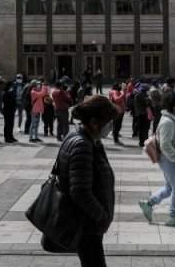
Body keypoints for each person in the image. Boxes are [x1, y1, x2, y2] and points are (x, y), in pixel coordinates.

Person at [57, 95, 119, 267]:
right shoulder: (82, 145)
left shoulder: (86, 138)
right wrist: (101, 216)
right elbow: (79, 191)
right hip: (86, 225)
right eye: (108, 122)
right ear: (94, 122)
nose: (110, 127)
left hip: (87, 222)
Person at [138, 92, 175, 227]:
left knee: (169, 187)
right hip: (169, 159)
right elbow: (165, 144)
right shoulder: (168, 121)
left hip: (168, 158)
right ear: (173, 104)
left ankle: (148, 204)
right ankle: (173, 215)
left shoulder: (170, 118)